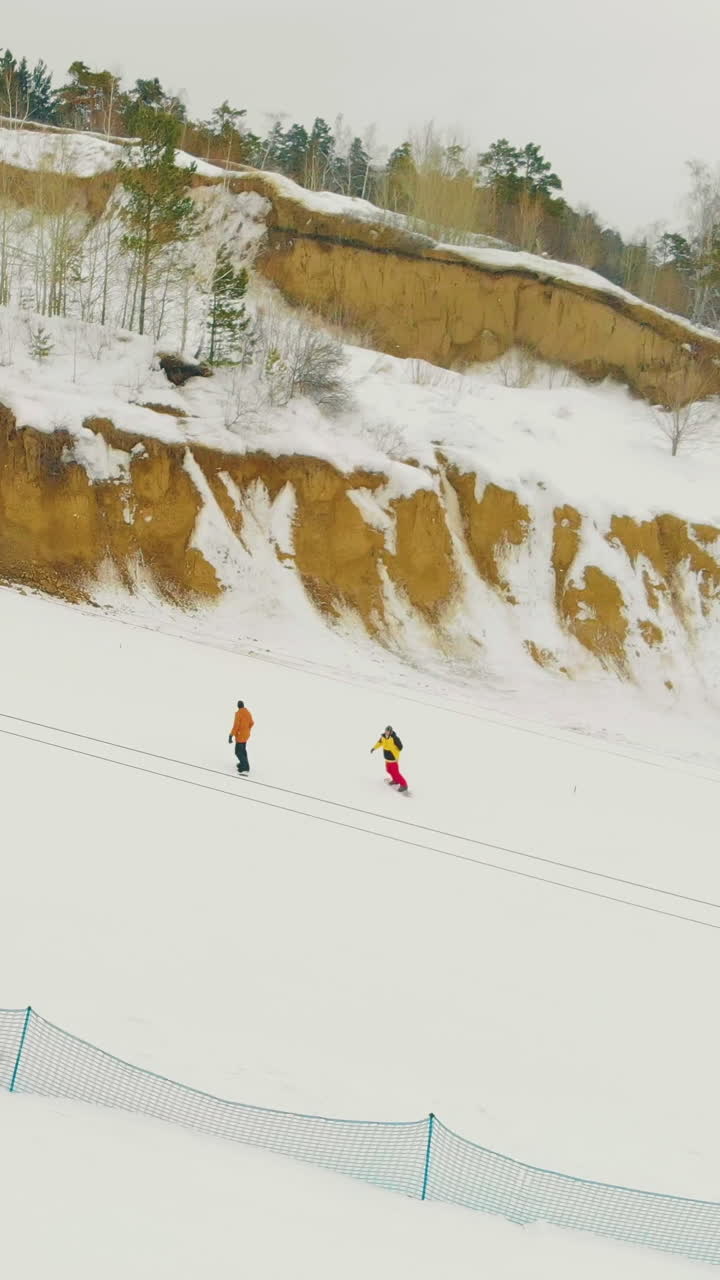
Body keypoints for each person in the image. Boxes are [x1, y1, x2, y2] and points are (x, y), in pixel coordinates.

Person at [371, 725, 408, 792]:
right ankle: (395, 780)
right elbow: (379, 743)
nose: (387, 732)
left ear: (391, 732)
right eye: (386, 731)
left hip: (393, 759)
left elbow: (400, 747)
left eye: (388, 731)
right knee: (389, 770)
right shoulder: (383, 737)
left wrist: (393, 750)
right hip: (387, 759)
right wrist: (374, 748)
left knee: (396, 773)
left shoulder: (394, 738)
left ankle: (404, 785)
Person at [229, 700, 254, 775]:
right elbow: (252, 723)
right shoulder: (248, 712)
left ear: (238, 706)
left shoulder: (238, 713)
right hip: (246, 734)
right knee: (243, 750)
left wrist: (231, 735)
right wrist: (247, 729)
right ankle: (243, 764)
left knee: (238, 752)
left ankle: (245, 768)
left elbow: (236, 725)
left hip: (240, 735)